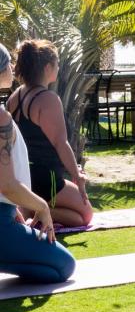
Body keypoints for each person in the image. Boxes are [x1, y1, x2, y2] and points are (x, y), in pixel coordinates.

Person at [0, 42, 75, 283]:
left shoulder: (9, 105)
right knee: (64, 266)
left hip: (7, 215)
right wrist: (42, 207)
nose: (13, 67)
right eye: (7, 63)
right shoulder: (0, 117)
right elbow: (8, 185)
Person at [7, 39, 93, 228]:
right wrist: (77, 176)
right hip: (47, 179)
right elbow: (61, 143)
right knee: (85, 216)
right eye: (57, 64)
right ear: (47, 67)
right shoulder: (48, 99)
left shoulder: (16, 97)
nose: (58, 68)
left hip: (24, 175)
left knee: (80, 215)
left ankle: (32, 207)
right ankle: (35, 209)